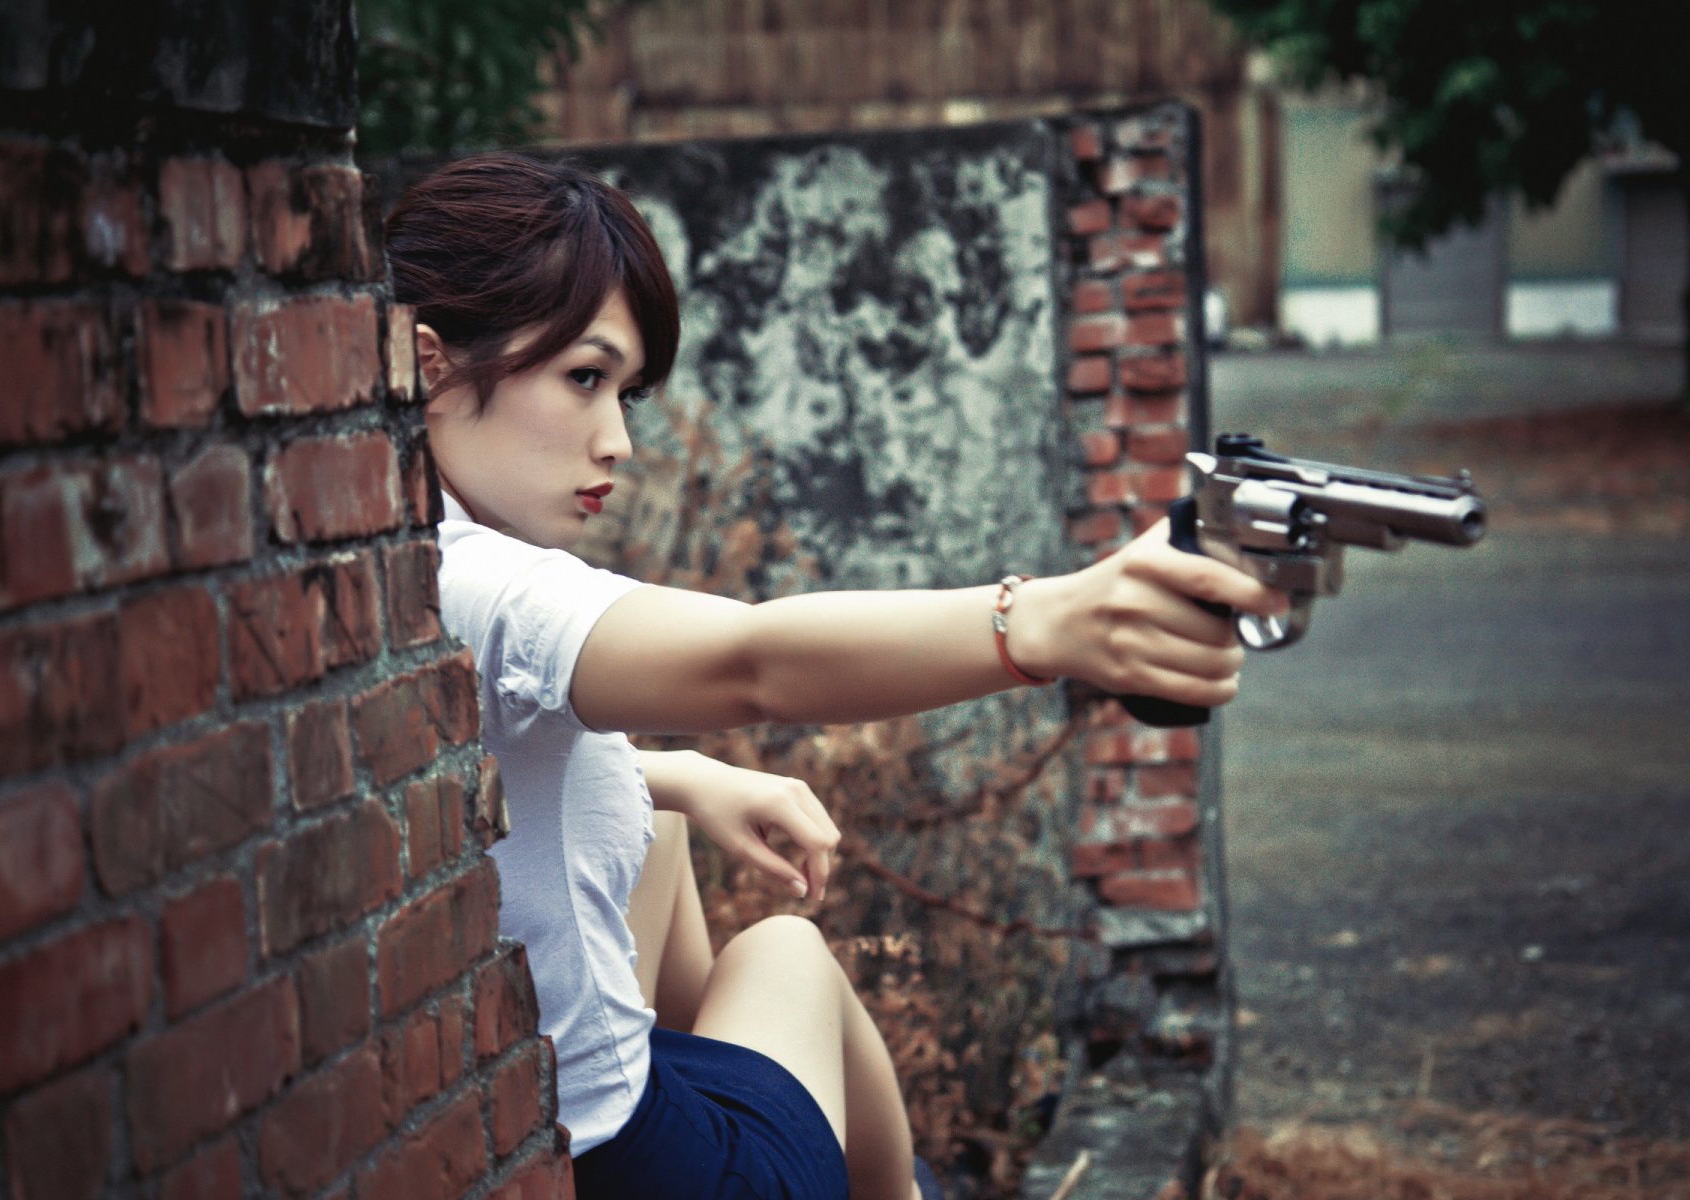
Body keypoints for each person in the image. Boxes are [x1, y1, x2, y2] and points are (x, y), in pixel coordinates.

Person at [384, 152, 1286, 1200]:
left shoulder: (373, 566)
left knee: (659, 829)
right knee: (786, 954)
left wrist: (685, 777)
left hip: (531, 1131)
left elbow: (493, 762)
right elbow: (754, 662)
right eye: (585, 378)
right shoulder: (481, 579)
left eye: (625, 394)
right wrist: (1041, 622)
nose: (619, 441)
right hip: (639, 1171)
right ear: (430, 366)